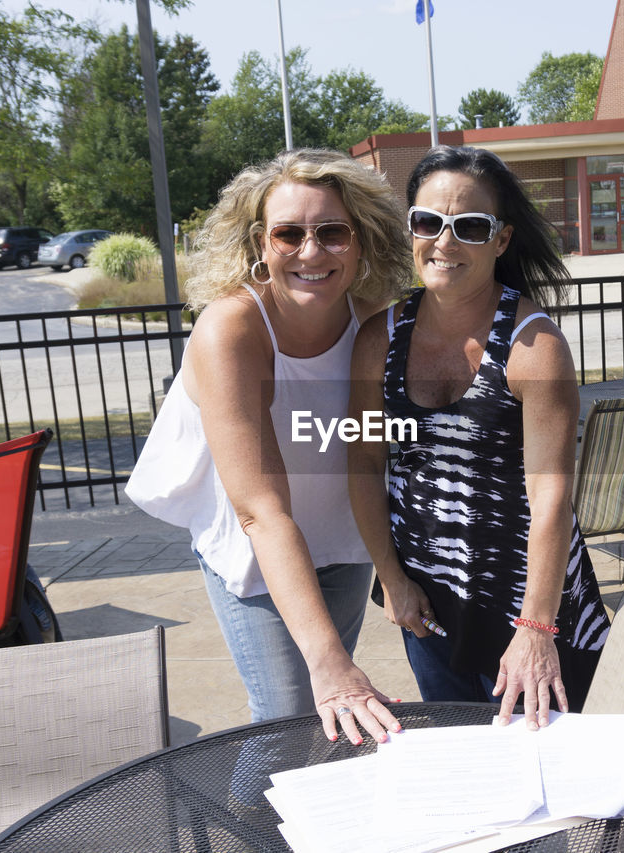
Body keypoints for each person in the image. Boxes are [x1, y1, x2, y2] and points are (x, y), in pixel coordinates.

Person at [126, 149, 411, 745]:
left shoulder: (374, 325)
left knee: (326, 719)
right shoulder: (230, 329)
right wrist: (330, 662)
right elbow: (260, 509)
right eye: (289, 234)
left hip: (342, 532)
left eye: (333, 232)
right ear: (260, 243)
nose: (311, 252)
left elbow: (366, 448)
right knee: (288, 714)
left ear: (362, 242)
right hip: (255, 540)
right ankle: (248, 830)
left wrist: (392, 568)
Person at [349, 145, 611, 730]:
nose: (444, 242)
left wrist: (536, 631)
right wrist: (390, 578)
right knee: (461, 762)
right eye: (427, 222)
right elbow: (364, 462)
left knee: (545, 777)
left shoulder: (533, 348)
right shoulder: (378, 340)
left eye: (469, 226)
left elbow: (550, 500)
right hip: (428, 602)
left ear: (500, 239)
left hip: (527, 602)